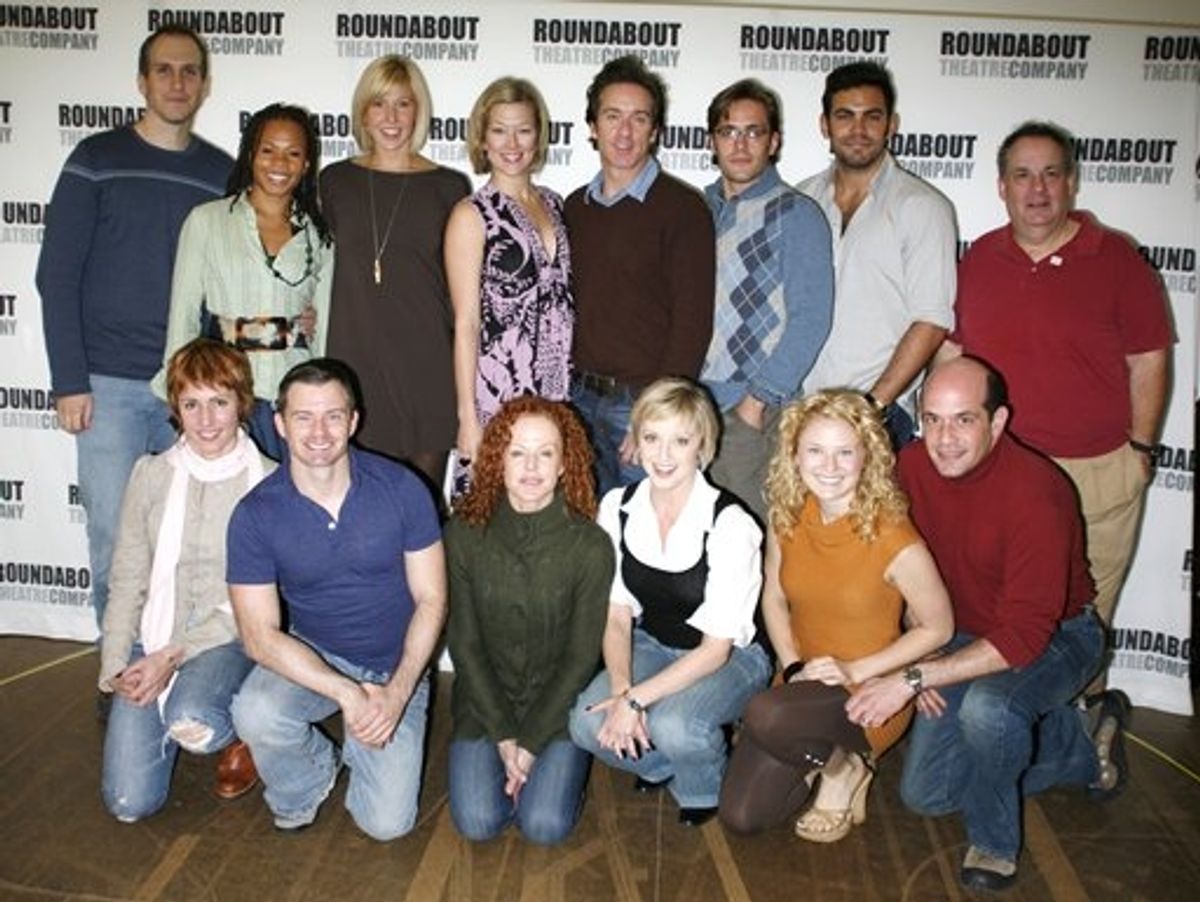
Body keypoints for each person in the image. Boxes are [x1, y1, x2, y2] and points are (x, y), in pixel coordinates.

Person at [849, 357, 1129, 892]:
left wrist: (916, 679)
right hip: (959, 631)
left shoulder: (1037, 492)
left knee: (991, 709)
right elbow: (897, 571)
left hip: (1060, 636)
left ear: (998, 423)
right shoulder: (907, 469)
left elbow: (1024, 636)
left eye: (963, 420)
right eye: (932, 419)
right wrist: (920, 649)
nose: (944, 438)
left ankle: (995, 843)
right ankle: (1077, 741)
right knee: (926, 795)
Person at [37, 25, 232, 637]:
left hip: (188, 391)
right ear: (142, 81)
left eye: (190, 71)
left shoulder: (222, 172)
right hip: (108, 386)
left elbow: (229, 281)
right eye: (165, 70)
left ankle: (183, 672)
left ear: (204, 83)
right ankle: (118, 671)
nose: (178, 82)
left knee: (194, 541)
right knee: (116, 540)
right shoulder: (95, 158)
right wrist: (70, 381)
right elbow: (56, 276)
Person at [944, 120, 1173, 633]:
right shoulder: (978, 259)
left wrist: (1140, 451)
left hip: (1095, 473)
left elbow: (1150, 358)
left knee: (1084, 618)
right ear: (1002, 187)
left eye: (1051, 174)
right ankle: (997, 711)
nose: (1038, 189)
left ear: (1072, 181)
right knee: (999, 608)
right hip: (997, 469)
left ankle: (1084, 711)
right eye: (1022, 175)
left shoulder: (1117, 258)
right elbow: (952, 353)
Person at [227, 358, 446, 840]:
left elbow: (432, 599)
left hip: (396, 665)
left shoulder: (403, 489)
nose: (319, 431)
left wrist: (398, 689)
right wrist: (347, 693)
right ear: (280, 424)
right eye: (303, 417)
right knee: (254, 710)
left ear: (354, 421)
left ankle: (365, 742)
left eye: (333, 415)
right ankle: (308, 780)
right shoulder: (255, 515)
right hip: (319, 654)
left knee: (386, 826)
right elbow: (259, 638)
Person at [718, 390, 952, 839]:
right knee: (742, 817)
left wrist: (855, 670)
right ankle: (817, 752)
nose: (829, 466)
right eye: (816, 451)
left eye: (845, 452)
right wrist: (793, 667)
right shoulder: (787, 514)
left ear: (868, 456)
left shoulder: (893, 535)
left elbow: (940, 627)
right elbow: (774, 598)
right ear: (795, 455)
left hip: (868, 692)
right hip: (801, 686)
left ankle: (845, 767)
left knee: (765, 714)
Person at [568, 378, 772, 826]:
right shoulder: (617, 507)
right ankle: (661, 765)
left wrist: (637, 703)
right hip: (655, 645)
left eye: (680, 440)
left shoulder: (730, 523)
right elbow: (617, 615)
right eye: (652, 437)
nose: (663, 455)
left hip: (731, 658)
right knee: (586, 724)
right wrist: (622, 691)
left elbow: (715, 649)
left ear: (703, 445)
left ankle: (703, 788)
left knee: (675, 726)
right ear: (636, 441)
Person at [99, 339, 272, 822]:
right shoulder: (150, 474)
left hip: (232, 636)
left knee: (191, 720)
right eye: (192, 404)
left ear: (242, 403)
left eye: (220, 401)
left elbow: (257, 606)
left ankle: (247, 728)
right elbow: (129, 575)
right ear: (175, 408)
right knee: (129, 804)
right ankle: (183, 707)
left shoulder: (271, 483)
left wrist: (172, 656)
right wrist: (117, 667)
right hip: (153, 633)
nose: (207, 419)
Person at [445, 397, 613, 845]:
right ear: (497, 458)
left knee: (545, 827)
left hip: (557, 706)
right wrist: (503, 735)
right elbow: (463, 644)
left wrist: (532, 741)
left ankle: (545, 778)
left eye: (546, 453)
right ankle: (515, 776)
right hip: (485, 704)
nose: (531, 467)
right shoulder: (464, 532)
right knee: (478, 823)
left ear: (564, 464)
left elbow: (582, 658)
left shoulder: (590, 544)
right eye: (517, 452)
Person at [565, 56, 716, 494]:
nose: (625, 132)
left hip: (641, 401)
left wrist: (653, 417)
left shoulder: (682, 210)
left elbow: (692, 324)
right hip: (579, 397)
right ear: (593, 126)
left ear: (655, 130)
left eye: (639, 118)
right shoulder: (574, 209)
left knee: (647, 527)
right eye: (612, 117)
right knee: (590, 528)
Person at [321, 55, 470, 490]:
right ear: (363, 112)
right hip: (355, 366)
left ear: (418, 111)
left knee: (422, 515)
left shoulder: (449, 187)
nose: (391, 118)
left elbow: (462, 295)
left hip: (427, 369)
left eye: (403, 104)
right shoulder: (334, 182)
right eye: (379, 104)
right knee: (360, 512)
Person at [153, 103, 333, 460]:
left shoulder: (320, 234)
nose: (279, 164)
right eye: (268, 151)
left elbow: (323, 332)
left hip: (291, 398)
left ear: (307, 164)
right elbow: (183, 315)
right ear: (251, 154)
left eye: (293, 153)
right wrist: (179, 397)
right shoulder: (207, 221)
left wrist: (320, 401)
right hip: (223, 396)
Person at [797, 62, 956, 447]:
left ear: (892, 124)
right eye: (844, 116)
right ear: (824, 125)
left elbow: (932, 320)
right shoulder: (802, 200)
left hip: (880, 415)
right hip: (804, 409)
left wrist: (873, 406)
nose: (858, 130)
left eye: (872, 116)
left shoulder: (922, 206)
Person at [700, 78, 834, 522]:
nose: (739, 144)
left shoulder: (796, 214)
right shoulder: (698, 209)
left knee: (746, 544)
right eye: (727, 131)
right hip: (693, 410)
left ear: (773, 141)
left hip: (751, 413)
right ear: (712, 141)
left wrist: (756, 403)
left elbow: (811, 319)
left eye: (753, 132)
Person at [445, 77, 574, 491]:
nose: (512, 143)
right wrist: (469, 418)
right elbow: (466, 323)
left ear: (538, 137)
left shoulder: (555, 205)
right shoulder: (472, 215)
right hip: (497, 397)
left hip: (556, 396)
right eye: (499, 130)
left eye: (523, 129)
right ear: (482, 140)